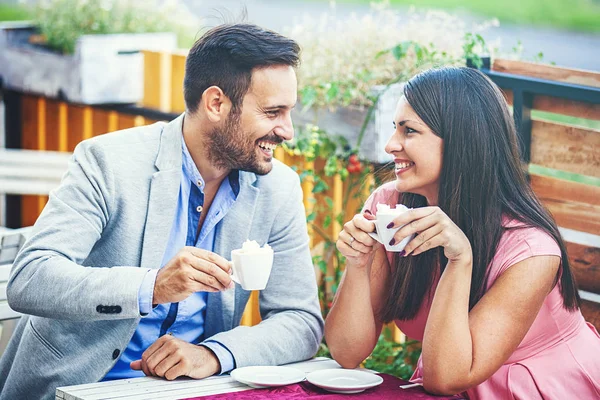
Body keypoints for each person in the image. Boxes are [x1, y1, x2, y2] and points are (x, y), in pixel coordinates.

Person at [0, 24, 324, 399]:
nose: (287, 130)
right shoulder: (109, 161)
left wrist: (213, 355)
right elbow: (31, 278)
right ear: (216, 103)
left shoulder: (277, 188)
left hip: (184, 391)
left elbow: (300, 321)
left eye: (289, 112)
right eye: (273, 112)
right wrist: (151, 287)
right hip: (74, 386)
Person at [325, 67, 600, 399]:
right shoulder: (390, 205)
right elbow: (347, 352)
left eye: (409, 131)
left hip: (539, 388)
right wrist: (358, 264)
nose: (390, 145)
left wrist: (460, 260)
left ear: (461, 141)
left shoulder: (531, 250)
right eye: (395, 128)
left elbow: (446, 378)